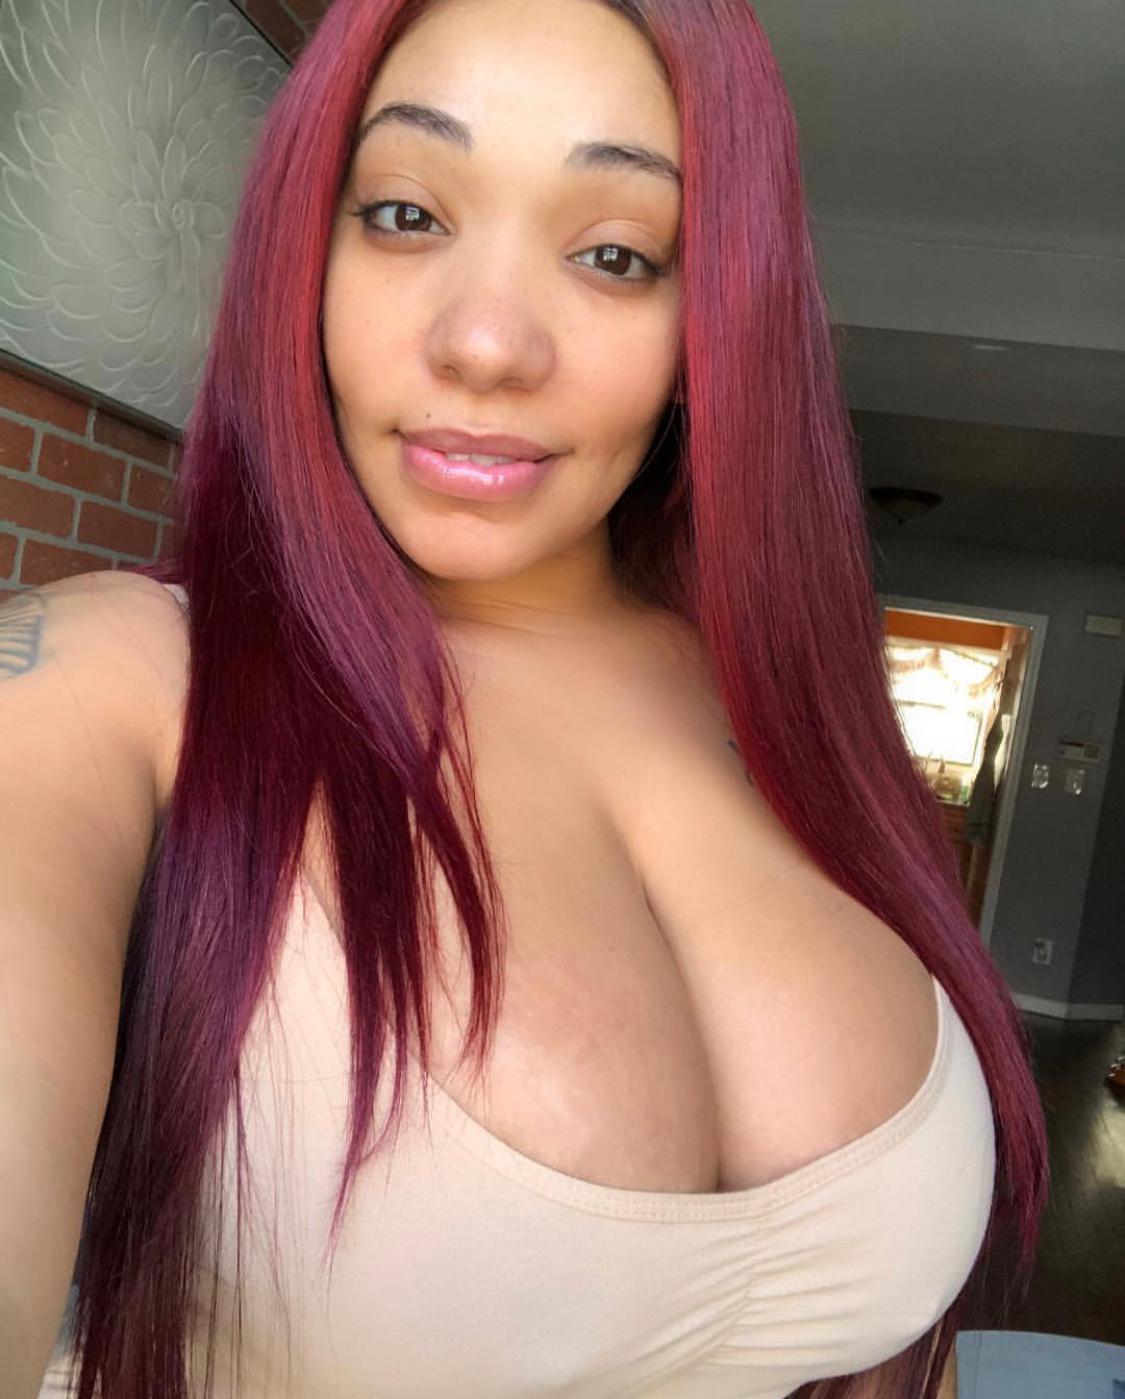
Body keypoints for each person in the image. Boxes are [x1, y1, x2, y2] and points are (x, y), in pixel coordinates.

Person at [5, 2, 1047, 1397]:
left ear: (710, 324)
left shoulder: (789, 706)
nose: (488, 343)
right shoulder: (111, 685)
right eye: (405, 216)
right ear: (302, 253)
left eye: (615, 254)